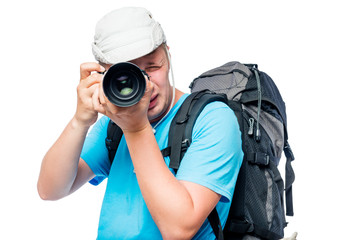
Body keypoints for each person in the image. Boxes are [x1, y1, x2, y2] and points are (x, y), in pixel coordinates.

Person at [37, 7, 243, 240]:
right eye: (129, 76)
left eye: (153, 67)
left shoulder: (212, 118)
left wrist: (136, 128)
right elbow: (50, 190)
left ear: (168, 57)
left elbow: (179, 229)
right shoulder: (113, 125)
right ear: (104, 75)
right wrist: (80, 121)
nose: (147, 85)